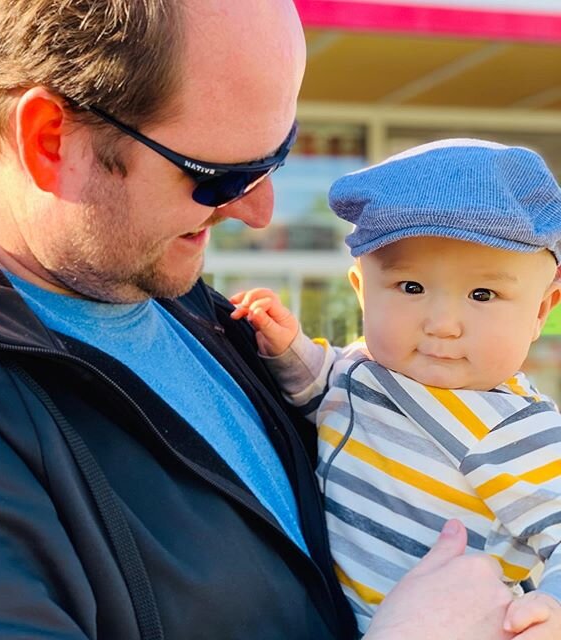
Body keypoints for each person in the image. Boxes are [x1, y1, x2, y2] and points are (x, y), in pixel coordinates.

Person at [0, 0, 515, 637]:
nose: (259, 211)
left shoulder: (184, 302)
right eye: (219, 176)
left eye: (275, 158)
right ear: (48, 138)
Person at [231, 138, 561, 638]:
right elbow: (322, 386)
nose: (443, 324)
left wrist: (551, 609)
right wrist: (285, 347)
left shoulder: (514, 428)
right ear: (362, 291)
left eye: (483, 294)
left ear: (542, 309)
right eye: (411, 288)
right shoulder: (368, 367)